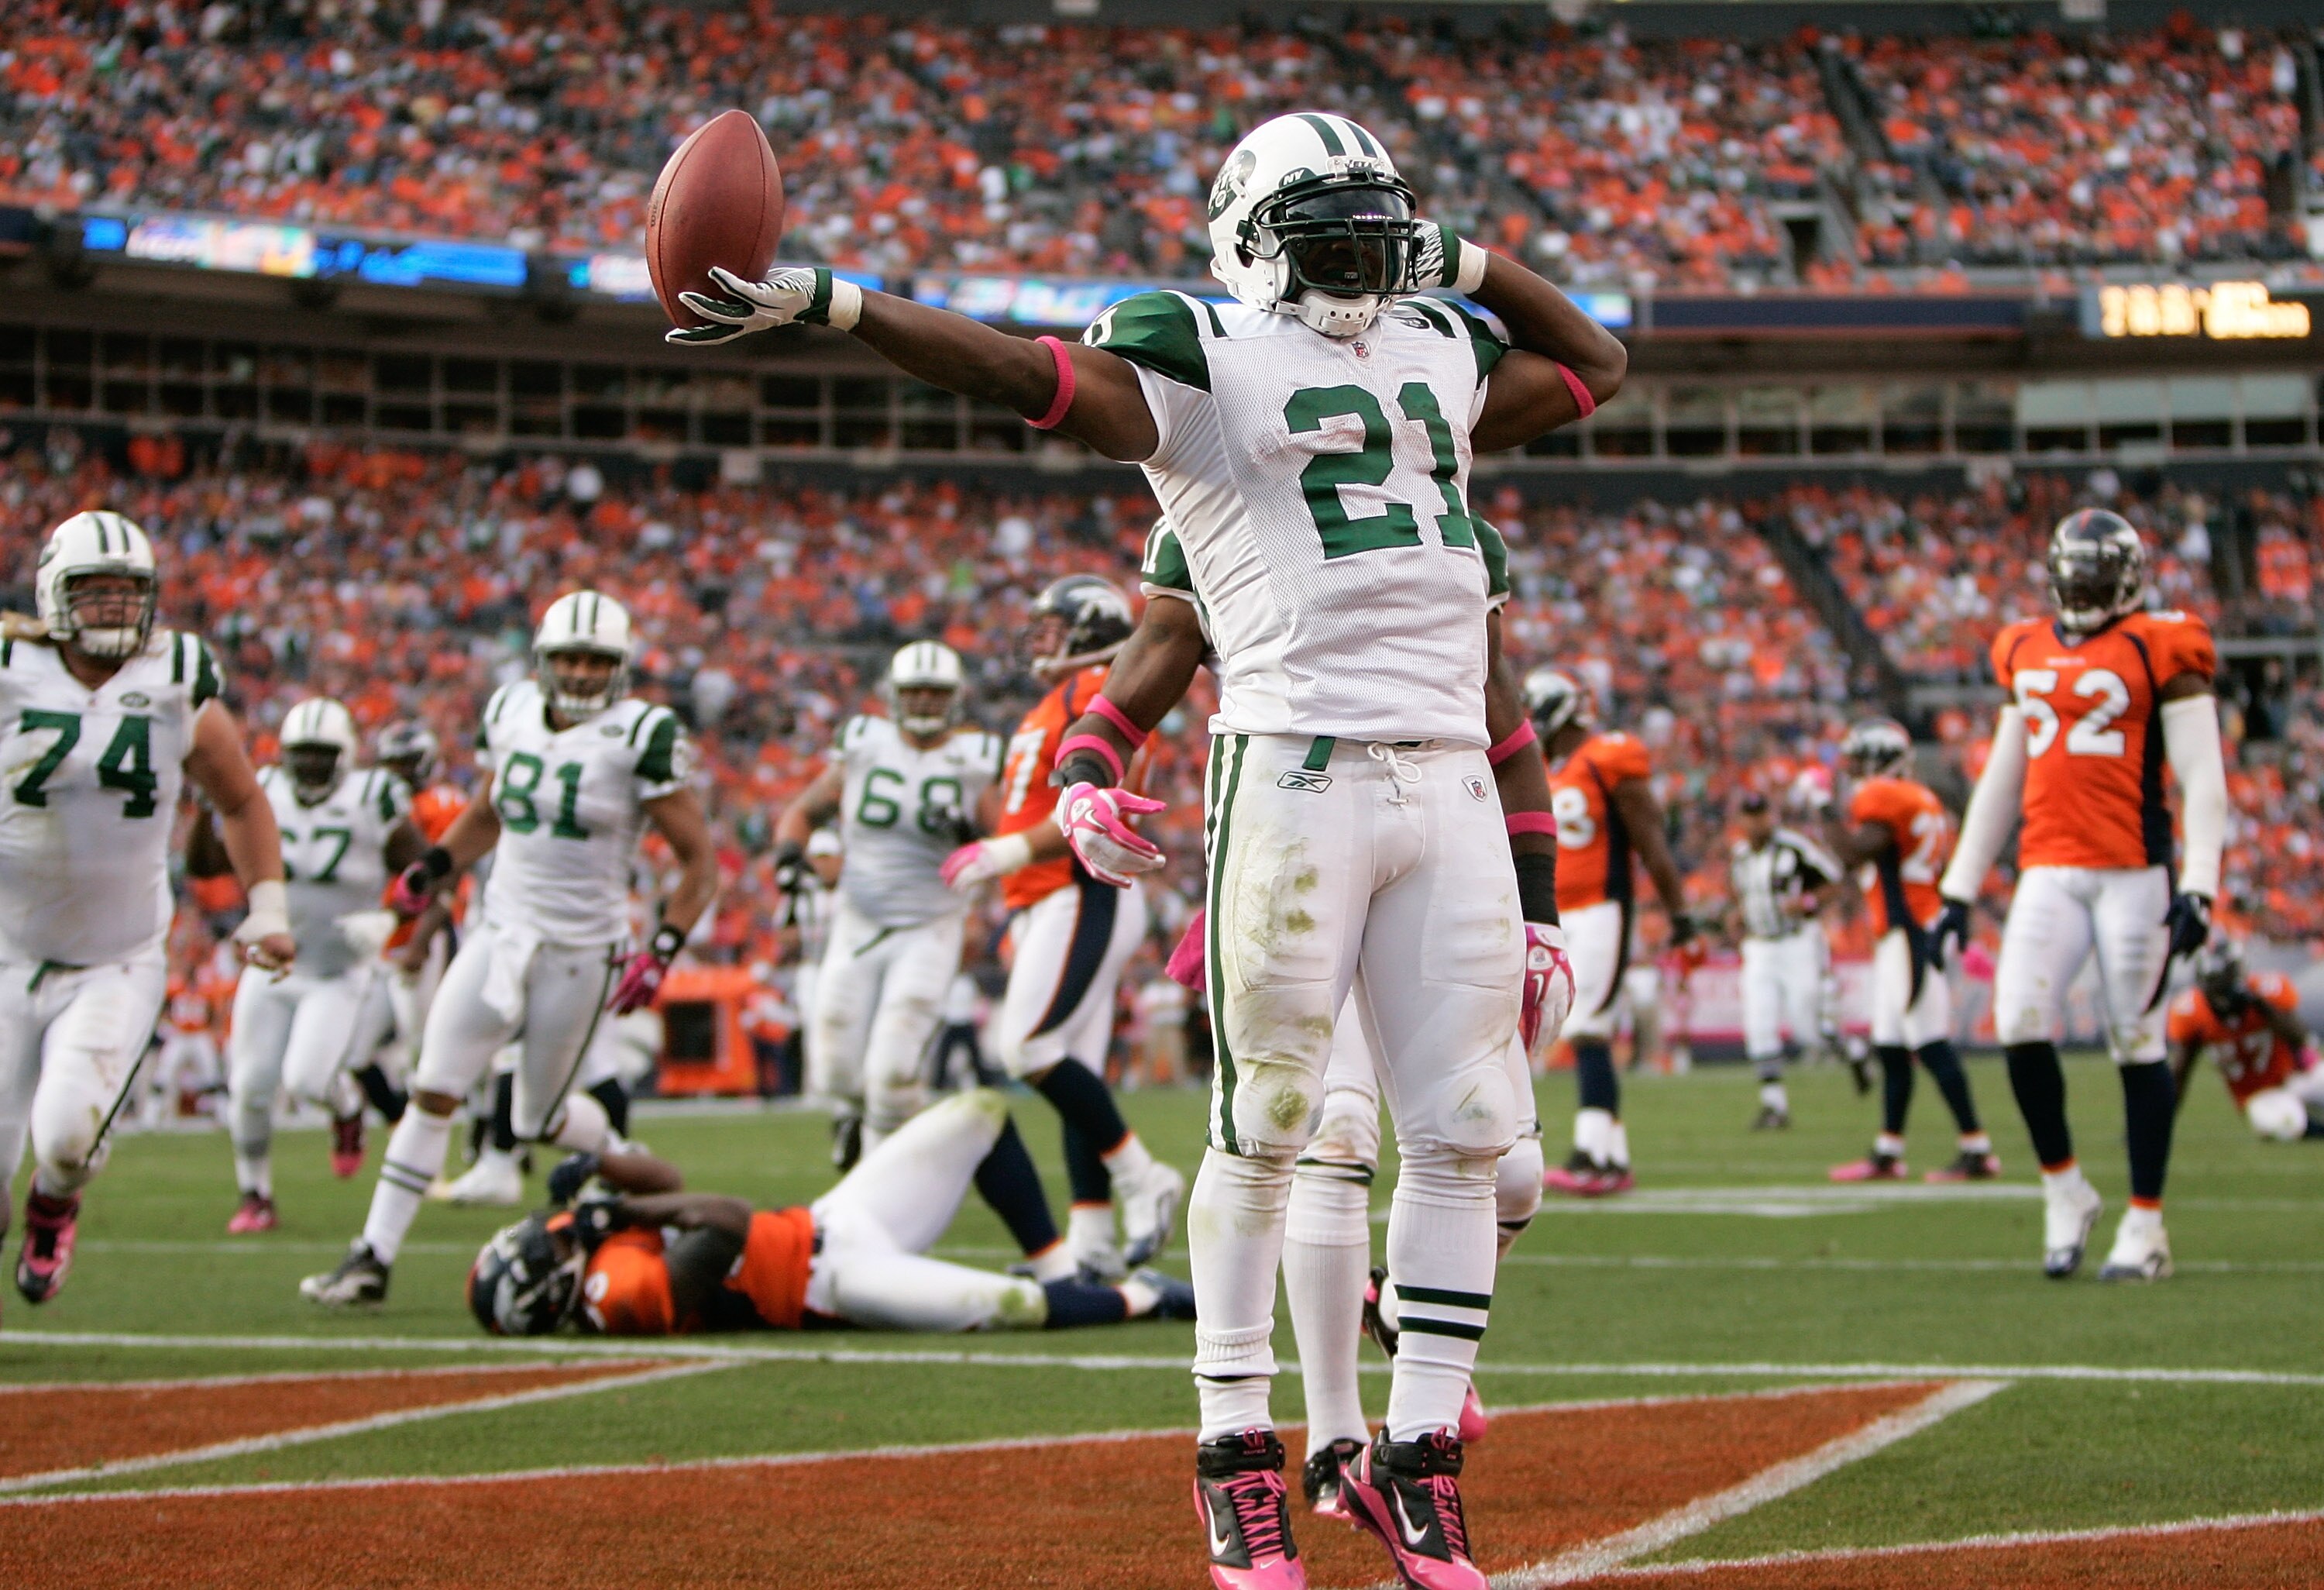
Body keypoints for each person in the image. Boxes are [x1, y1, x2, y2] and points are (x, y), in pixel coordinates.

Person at [669, 107, 1614, 1588]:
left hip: (1452, 788)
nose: (1364, 255)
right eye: (1329, 229)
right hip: (1298, 774)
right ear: (1250, 244)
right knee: (1279, 1123)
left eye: (1383, 225)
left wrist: (1474, 256)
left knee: (1473, 1140)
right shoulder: (1207, 359)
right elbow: (1023, 371)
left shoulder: (1437, 343)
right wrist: (840, 303)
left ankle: (1419, 1460)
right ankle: (1236, 1450)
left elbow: (1600, 366)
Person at [301, 590, 719, 1308]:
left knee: (538, 1119)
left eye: (597, 661)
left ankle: (627, 1161)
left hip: (581, 950)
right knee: (434, 1087)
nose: (583, 673)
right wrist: (434, 867)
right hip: (501, 931)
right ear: (543, 662)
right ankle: (371, 1257)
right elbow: (490, 810)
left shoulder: (641, 733)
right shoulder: (512, 711)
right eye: (569, 659)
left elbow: (699, 860)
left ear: (620, 667)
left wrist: (663, 948)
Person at [0, 511, 295, 1310]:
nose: (112, 609)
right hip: (4, 954)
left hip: (114, 959)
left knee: (65, 1141)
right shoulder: (9, 667)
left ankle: (55, 1206)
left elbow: (241, 801)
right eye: (92, 593)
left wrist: (266, 907)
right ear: (54, 596)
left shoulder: (176, 678)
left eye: (127, 593)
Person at [1933, 509, 2224, 1282]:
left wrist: (2200, 884)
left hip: (2135, 870)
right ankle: (2064, 1190)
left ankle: (2148, 1225)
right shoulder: (2024, 646)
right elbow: (2004, 775)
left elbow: (2202, 776)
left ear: (2128, 578)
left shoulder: (2163, 643)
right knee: (2019, 1026)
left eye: (2099, 574)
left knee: (2139, 1039)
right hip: (2050, 868)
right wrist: (1958, 889)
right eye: (2078, 573)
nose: (2086, 588)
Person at [468, 1089, 1193, 1337]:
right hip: (832, 1285)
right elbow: (724, 1219)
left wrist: (600, 1167)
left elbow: (668, 1179)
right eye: (534, 1256)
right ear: (545, 1294)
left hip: (832, 1220)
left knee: (981, 1113)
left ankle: (1060, 1266)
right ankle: (1139, 1298)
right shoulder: (614, 1296)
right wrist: (616, 1213)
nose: (546, 1239)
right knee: (1011, 1307)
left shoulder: (583, 1244)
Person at [939, 575, 1182, 1278]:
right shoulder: (1054, 701)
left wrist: (1005, 852)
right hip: (1049, 895)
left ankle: (1145, 1177)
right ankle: (1093, 1245)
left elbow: (1091, 800)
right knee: (1070, 1062)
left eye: (1053, 626)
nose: (1040, 638)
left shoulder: (1096, 692)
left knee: (1027, 1047)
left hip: (1078, 888)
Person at [199, 697, 426, 1230]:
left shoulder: (374, 796)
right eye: (302, 754)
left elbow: (424, 869)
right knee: (250, 1086)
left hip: (336, 971)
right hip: (270, 962)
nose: (311, 766)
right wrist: (210, 806)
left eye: (323, 754)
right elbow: (205, 864)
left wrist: (391, 917)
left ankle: (346, 1106)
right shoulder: (264, 790)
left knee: (307, 1081)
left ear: (346, 754)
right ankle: (255, 1194)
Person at [775, 642, 1002, 1167]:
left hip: (931, 925)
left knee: (894, 1069)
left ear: (955, 698)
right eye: (914, 692)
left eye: (935, 693)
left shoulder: (974, 760)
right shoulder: (863, 743)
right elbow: (802, 812)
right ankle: (851, 1115)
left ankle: (877, 1176)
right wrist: (789, 857)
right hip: (857, 920)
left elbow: (1004, 840)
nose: (924, 702)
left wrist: (968, 835)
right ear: (893, 696)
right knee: (831, 1067)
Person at [1528, 667, 1695, 1196]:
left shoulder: (1609, 756)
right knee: (1578, 1027)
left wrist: (1681, 917)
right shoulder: (1555, 770)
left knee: (1587, 1029)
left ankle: (1590, 1155)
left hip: (1604, 908)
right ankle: (1613, 1159)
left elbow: (1651, 842)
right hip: (1562, 913)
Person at [1820, 718, 1997, 1184]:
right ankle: (1888, 1150)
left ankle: (1976, 1148)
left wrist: (1822, 809)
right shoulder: (1916, 799)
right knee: (1892, 1048)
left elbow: (1856, 851)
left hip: (1909, 932)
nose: (1854, 773)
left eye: (1859, 763)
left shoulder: (1889, 798)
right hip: (1902, 931)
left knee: (1929, 1042)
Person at [1724, 789, 1843, 1129]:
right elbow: (1740, 894)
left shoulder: (1794, 847)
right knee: (1759, 1022)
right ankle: (1774, 1104)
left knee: (1807, 1025)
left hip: (1796, 942)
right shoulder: (1741, 855)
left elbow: (1833, 882)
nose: (1756, 820)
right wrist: (1737, 915)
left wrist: (1806, 903)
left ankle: (1850, 1049)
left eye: (1761, 813)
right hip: (1759, 945)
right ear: (1741, 820)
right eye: (1750, 814)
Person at [2168, 941, 2323, 1141]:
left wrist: (2261, 1006)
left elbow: (2302, 1037)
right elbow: (2180, 1073)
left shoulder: (2264, 991)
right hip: (2259, 1096)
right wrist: (2157, 1123)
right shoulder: (2193, 1012)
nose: (2219, 992)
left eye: (2223, 981)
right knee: (2283, 1124)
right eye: (2213, 983)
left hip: (2299, 1077)